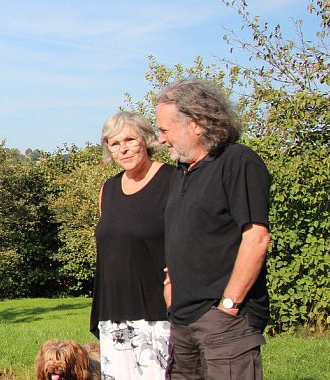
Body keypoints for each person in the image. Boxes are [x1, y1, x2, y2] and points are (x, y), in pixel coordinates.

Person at [155, 79, 272, 379]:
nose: (160, 139)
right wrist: (172, 289)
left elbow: (256, 237)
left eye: (165, 130)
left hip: (223, 323)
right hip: (182, 320)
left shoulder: (236, 161)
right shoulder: (183, 172)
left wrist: (229, 305)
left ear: (197, 123)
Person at [91, 111, 174, 379]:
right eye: (114, 144)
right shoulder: (109, 188)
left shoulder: (174, 180)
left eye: (130, 139)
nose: (123, 149)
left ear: (147, 139)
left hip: (157, 312)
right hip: (114, 310)